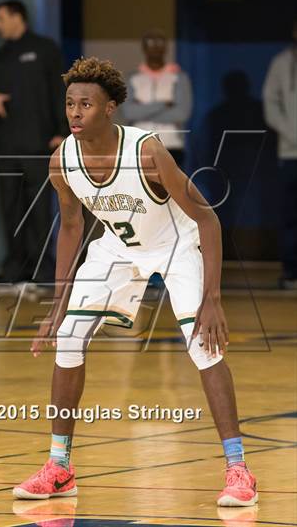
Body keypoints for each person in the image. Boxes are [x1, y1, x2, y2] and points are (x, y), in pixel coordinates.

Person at [13, 58, 258, 508]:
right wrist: (55, 308)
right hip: (118, 249)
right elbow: (70, 229)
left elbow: (207, 218)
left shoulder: (147, 152)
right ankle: (60, 467)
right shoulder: (61, 160)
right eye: (69, 103)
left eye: (86, 103)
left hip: (177, 244)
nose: (75, 112)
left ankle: (238, 468)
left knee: (204, 347)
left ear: (109, 109)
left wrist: (213, 299)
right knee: (68, 338)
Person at [0, 0, 67, 291]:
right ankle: (15, 273)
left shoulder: (45, 49)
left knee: (39, 211)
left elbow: (60, 92)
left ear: (17, 17)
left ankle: (43, 274)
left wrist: (61, 131)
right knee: (10, 208)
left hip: (39, 144)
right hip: (7, 145)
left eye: (0, 18)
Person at [123, 29, 193, 168]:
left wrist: (143, 110)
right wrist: (164, 104)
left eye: (159, 44)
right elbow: (129, 112)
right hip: (139, 144)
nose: (155, 48)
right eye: (150, 44)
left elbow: (181, 114)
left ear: (165, 48)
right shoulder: (132, 78)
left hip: (172, 145)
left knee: (171, 188)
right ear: (144, 48)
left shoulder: (179, 78)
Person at [263, 17, 297, 289]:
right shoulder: (281, 63)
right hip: (290, 153)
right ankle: (290, 272)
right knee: (290, 216)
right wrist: (291, 133)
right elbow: (271, 103)